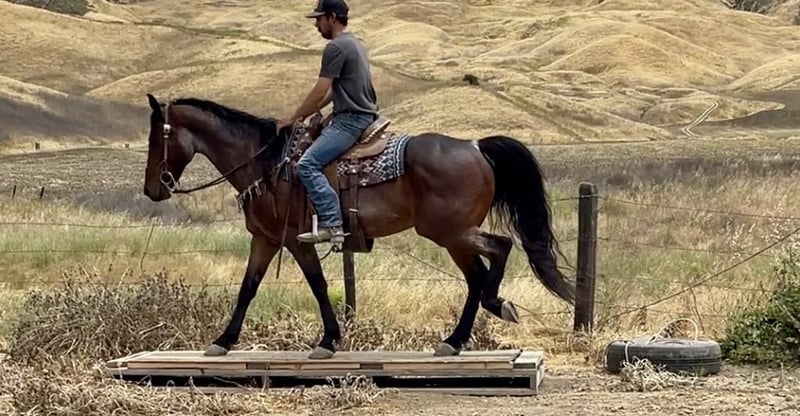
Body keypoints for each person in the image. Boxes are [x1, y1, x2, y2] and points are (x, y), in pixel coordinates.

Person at [277, 0, 379, 244]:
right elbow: (334, 90)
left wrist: (294, 117)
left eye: (319, 19)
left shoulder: (336, 47)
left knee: (307, 164)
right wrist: (310, 112)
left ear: (332, 18)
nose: (316, 25)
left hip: (350, 121)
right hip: (363, 115)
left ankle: (332, 224)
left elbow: (320, 88)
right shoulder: (355, 43)